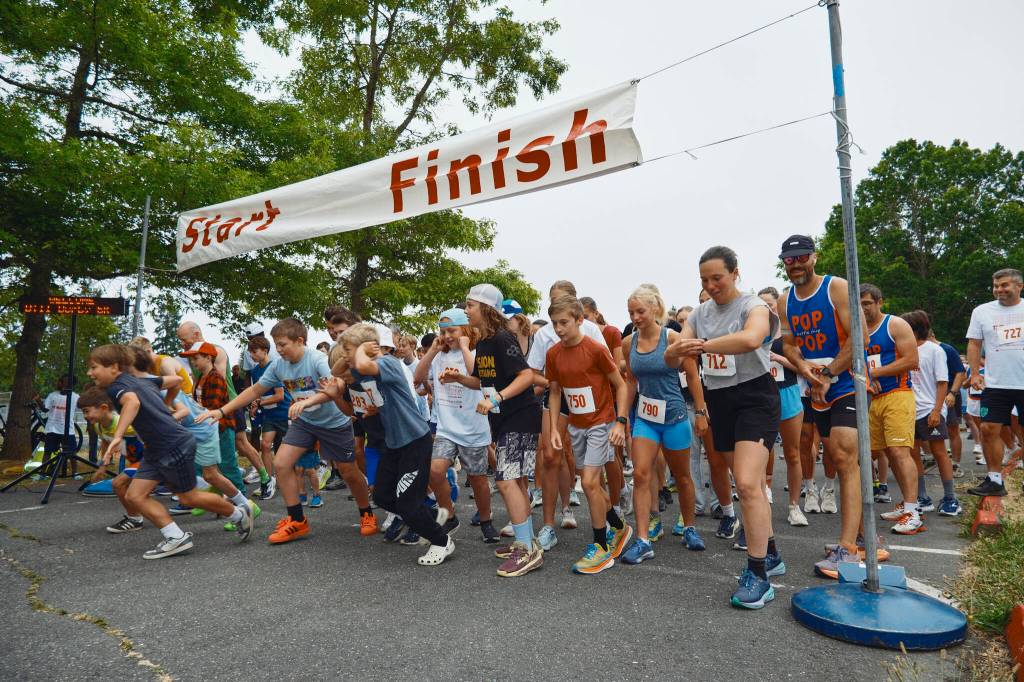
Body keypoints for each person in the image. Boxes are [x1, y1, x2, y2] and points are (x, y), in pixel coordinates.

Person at [197, 318, 375, 543]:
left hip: (334, 422)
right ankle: (297, 520)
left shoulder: (317, 359)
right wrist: (222, 411)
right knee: (281, 463)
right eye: (276, 345)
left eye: (282, 344)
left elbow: (337, 386)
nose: (278, 349)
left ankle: (366, 512)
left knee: (348, 471)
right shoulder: (278, 366)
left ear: (299, 341)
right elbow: (254, 391)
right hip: (305, 422)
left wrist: (307, 402)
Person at [674, 246, 784, 609]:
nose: (710, 285)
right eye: (704, 280)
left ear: (736, 273)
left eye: (717, 278)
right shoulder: (700, 314)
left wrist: (700, 346)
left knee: (749, 484)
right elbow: (675, 352)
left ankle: (758, 575)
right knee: (747, 484)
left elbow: (751, 338)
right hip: (720, 400)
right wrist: (679, 349)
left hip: (755, 397)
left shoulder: (754, 306)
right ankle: (770, 552)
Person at [86, 344, 253, 559]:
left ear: (114, 367)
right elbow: (176, 380)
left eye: (94, 367)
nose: (90, 373)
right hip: (157, 448)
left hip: (172, 445)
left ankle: (239, 514)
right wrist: (165, 405)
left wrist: (118, 435)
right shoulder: (142, 381)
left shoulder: (117, 387)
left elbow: (132, 402)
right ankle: (175, 537)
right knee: (135, 495)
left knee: (189, 497)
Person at [328, 323, 455, 566]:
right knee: (383, 496)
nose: (346, 356)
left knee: (407, 505)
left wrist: (361, 350)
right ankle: (432, 515)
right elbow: (336, 370)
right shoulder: (363, 369)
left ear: (368, 348)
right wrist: (349, 353)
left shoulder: (387, 363)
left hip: (414, 441)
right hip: (394, 444)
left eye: (348, 351)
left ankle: (442, 541)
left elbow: (363, 364)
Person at [776, 235, 864, 579]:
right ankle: (862, 536)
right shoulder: (785, 300)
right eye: (789, 260)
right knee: (834, 458)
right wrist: (806, 370)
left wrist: (828, 374)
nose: (795, 264)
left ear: (814, 257)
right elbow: (789, 344)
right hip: (814, 386)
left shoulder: (835, 288)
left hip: (846, 381)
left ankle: (848, 548)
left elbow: (859, 336)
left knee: (844, 455)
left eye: (801, 257)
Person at [444, 283, 544, 577]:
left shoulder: (502, 338)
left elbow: (526, 376)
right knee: (516, 482)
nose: (466, 310)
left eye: (470, 305)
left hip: (520, 416)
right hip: (504, 419)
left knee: (506, 480)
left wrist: (498, 398)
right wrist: (459, 379)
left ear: (486, 308)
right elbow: (482, 381)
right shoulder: (485, 342)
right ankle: (527, 541)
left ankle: (526, 550)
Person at [620, 284, 707, 566]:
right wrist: (622, 417)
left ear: (655, 309)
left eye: (640, 311)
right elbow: (630, 381)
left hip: (674, 417)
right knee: (641, 475)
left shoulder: (673, 338)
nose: (635, 317)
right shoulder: (628, 343)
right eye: (631, 313)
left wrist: (701, 412)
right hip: (645, 418)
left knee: (682, 477)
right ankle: (643, 540)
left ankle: (690, 528)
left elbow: (692, 376)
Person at [545, 295, 631, 574]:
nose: (559, 329)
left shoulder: (595, 349)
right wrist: (554, 428)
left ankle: (601, 547)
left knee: (590, 482)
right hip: (576, 426)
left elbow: (621, 385)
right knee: (591, 483)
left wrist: (620, 422)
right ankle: (618, 527)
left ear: (580, 320)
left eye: (564, 323)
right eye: (555, 323)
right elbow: (555, 392)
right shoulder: (553, 354)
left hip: (601, 423)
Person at [528, 280, 610, 551]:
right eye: (553, 299)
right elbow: (533, 372)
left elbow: (607, 369)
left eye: (562, 298)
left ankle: (608, 515)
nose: (557, 303)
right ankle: (548, 525)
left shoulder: (591, 331)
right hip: (558, 395)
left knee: (591, 467)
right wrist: (555, 380)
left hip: (590, 399)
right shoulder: (545, 336)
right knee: (551, 455)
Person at [413, 308, 497, 543]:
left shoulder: (476, 351)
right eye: (443, 331)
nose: (447, 336)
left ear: (466, 330)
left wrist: (464, 351)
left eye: (452, 330)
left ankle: (486, 520)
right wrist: (432, 351)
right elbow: (417, 378)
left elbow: (478, 378)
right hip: (446, 428)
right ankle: (449, 515)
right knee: (434, 471)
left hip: (473, 427)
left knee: (477, 478)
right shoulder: (439, 355)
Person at [859, 284, 924, 534]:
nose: (863, 308)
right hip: (872, 398)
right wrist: (866, 378)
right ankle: (906, 504)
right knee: (886, 452)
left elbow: (911, 360)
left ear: (879, 302)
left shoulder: (895, 324)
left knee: (899, 451)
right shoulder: (856, 330)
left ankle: (913, 511)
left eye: (867, 303)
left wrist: (872, 373)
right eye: (858, 304)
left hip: (898, 394)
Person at [179, 342, 257, 530]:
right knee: (202, 467)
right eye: (191, 359)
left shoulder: (216, 378)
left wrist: (192, 416)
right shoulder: (201, 378)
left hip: (221, 429)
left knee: (228, 467)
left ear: (208, 357)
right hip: (206, 430)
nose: (193, 362)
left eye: (196, 358)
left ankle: (247, 507)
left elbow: (212, 408)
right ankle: (212, 497)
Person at [967, 268, 1024, 497]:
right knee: (988, 429)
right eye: (996, 285)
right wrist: (975, 373)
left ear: (1019, 286)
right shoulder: (982, 311)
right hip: (995, 383)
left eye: (1004, 285)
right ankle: (994, 480)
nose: (999, 289)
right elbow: (974, 343)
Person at [901, 310, 960, 517]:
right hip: (907, 410)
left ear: (915, 329)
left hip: (930, 409)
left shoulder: (935, 350)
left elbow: (942, 382)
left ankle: (950, 498)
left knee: (939, 452)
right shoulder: (902, 350)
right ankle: (922, 498)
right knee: (913, 453)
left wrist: (936, 410)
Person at [759, 287, 808, 528]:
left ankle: (794, 506)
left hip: (787, 392)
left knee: (792, 452)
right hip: (761, 394)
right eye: (761, 305)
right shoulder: (755, 332)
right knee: (760, 450)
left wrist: (778, 358)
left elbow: (802, 367)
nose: (766, 309)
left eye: (769, 305)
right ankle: (763, 493)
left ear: (778, 305)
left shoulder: (789, 333)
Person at [78, 388, 145, 531]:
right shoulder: (98, 427)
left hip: (151, 459)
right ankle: (136, 517)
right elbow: (106, 443)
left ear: (103, 408)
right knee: (124, 486)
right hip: (138, 462)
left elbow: (150, 433)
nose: (85, 416)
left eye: (86, 411)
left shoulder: (124, 423)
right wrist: (103, 467)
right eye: (83, 412)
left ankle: (135, 519)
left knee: (118, 483)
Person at [246, 335, 289, 499]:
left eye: (254, 351)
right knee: (265, 445)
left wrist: (259, 402)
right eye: (250, 352)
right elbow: (258, 392)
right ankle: (269, 481)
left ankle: (289, 478)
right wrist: (254, 405)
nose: (251, 355)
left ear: (265, 351)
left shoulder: (274, 367)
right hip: (268, 415)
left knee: (283, 452)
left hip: (283, 413)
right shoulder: (255, 371)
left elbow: (279, 396)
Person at [929, 329, 967, 476]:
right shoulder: (920, 349)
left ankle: (956, 464)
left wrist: (953, 393)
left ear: (932, 334)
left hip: (949, 391)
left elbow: (960, 372)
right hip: (930, 392)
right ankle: (932, 459)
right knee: (928, 428)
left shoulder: (947, 349)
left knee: (953, 429)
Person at [41, 374, 80, 476]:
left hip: (68, 430)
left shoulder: (75, 397)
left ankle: (75, 473)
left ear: (70, 384)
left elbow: (84, 406)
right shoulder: (52, 395)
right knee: (47, 452)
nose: (59, 383)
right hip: (52, 429)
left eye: (62, 381)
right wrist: (37, 400)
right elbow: (45, 409)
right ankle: (42, 474)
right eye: (60, 381)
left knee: (72, 453)